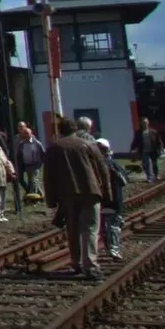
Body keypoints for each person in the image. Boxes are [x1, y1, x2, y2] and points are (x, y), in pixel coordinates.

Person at [43, 116, 113, 280]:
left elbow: (48, 176)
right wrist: (108, 194)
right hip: (91, 192)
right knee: (90, 229)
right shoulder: (88, 145)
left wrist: (51, 200)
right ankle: (91, 266)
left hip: (68, 195)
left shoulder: (54, 149)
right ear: (75, 129)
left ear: (60, 130)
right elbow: (102, 170)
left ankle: (77, 263)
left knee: (73, 230)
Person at [96, 137, 127, 262]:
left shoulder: (94, 165)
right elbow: (124, 181)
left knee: (105, 226)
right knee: (112, 226)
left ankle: (111, 248)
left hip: (102, 200)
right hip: (114, 200)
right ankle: (113, 249)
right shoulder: (113, 164)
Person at [14, 123, 45, 199]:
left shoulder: (36, 143)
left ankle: (37, 196)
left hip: (36, 164)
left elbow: (43, 152)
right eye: (25, 133)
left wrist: (44, 162)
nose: (26, 135)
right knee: (31, 181)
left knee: (34, 180)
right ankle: (38, 195)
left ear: (31, 134)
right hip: (27, 164)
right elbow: (18, 153)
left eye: (27, 133)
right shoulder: (22, 143)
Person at [130, 118, 164, 182]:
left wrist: (161, 149)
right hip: (144, 151)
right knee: (146, 165)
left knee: (155, 164)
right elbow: (135, 141)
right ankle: (149, 178)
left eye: (145, 123)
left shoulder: (153, 131)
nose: (144, 124)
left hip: (153, 151)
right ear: (141, 123)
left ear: (148, 123)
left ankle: (156, 175)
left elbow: (159, 141)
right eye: (143, 123)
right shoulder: (138, 132)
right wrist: (132, 148)